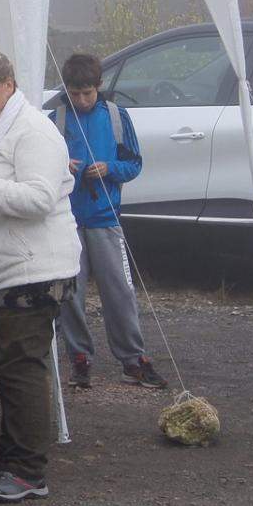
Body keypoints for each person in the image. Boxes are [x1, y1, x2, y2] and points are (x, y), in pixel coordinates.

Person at [0, 50, 82, 505]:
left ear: (7, 84)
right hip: (0, 269)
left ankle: (30, 470)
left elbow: (39, 199)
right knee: (8, 364)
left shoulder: (34, 130)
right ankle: (10, 452)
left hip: (35, 269)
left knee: (23, 366)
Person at [52, 52, 167, 390]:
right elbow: (39, 166)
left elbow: (134, 164)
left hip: (105, 218)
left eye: (87, 93)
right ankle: (79, 357)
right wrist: (62, 165)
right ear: (66, 89)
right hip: (67, 222)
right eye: (75, 93)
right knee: (70, 293)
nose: (81, 100)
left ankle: (132, 360)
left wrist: (109, 168)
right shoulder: (54, 120)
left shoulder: (116, 117)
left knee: (119, 291)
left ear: (98, 87)